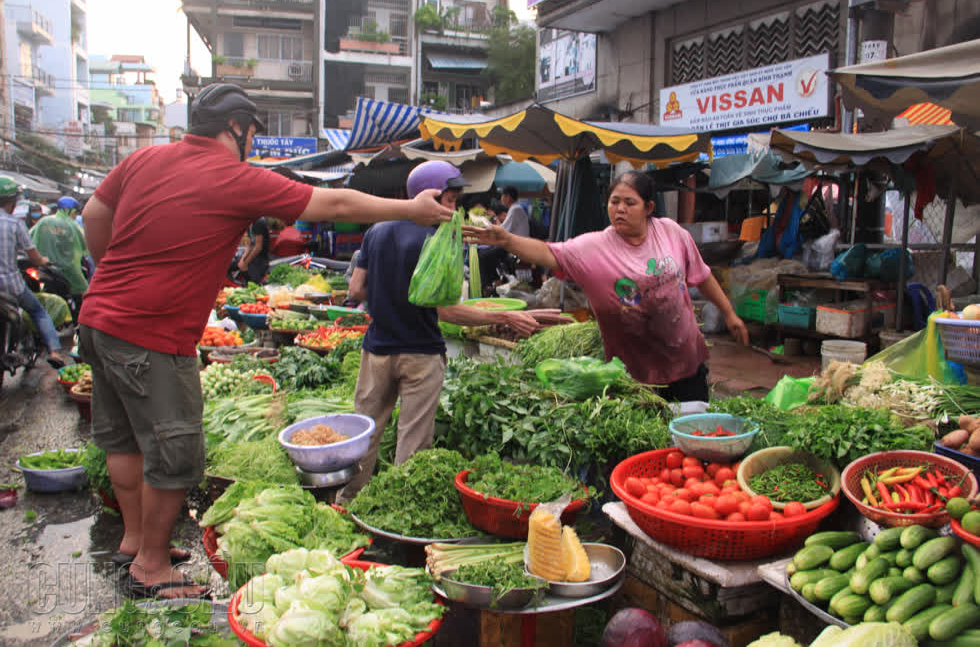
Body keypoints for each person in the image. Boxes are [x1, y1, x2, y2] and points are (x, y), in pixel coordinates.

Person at [78, 82, 452, 600]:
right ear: (237, 128)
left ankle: (136, 542)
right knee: (176, 449)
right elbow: (330, 201)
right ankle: (151, 566)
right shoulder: (233, 177)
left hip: (98, 320)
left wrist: (114, 279)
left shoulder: (144, 159)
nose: (252, 140)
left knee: (124, 440)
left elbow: (95, 215)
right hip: (153, 331)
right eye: (253, 131)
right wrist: (411, 209)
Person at [336, 161, 540, 503]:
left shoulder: (378, 229)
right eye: (450, 197)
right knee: (412, 443)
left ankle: (347, 503)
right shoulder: (437, 237)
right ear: (429, 194)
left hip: (377, 352)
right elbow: (445, 310)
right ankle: (398, 510)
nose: (454, 206)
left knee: (365, 434)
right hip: (420, 354)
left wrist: (393, 292)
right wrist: (505, 317)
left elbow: (356, 289)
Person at [464, 169, 749, 402]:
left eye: (629, 202)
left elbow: (701, 274)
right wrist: (507, 241)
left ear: (649, 207)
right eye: (615, 202)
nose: (620, 209)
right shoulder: (594, 247)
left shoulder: (672, 233)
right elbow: (550, 252)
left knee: (692, 442)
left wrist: (729, 314)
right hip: (635, 373)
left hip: (686, 360)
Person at [0, 177, 65, 369]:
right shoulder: (15, 224)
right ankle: (54, 351)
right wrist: (44, 260)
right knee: (38, 311)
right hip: (11, 286)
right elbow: (35, 258)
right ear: (12, 202)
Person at [30, 196, 90, 297]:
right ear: (70, 211)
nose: (75, 216)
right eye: (75, 213)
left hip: (43, 268)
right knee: (84, 291)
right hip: (68, 269)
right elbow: (85, 245)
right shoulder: (72, 225)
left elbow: (28, 237)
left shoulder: (44, 221)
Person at [237, 217, 269, 283]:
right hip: (252, 256)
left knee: (253, 281)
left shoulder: (258, 223)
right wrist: (242, 260)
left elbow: (258, 247)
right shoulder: (249, 224)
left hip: (261, 258)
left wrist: (245, 263)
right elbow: (248, 246)